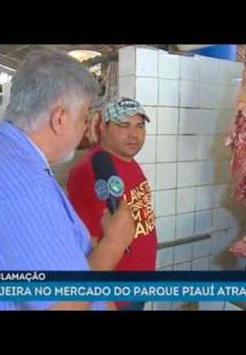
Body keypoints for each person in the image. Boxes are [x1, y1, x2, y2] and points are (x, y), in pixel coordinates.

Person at [0, 50, 136, 311]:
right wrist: (114, 243)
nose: (86, 128)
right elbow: (66, 304)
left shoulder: (3, 155)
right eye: (84, 117)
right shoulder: (21, 187)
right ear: (60, 118)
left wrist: (85, 244)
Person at [67, 97, 158, 311]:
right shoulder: (91, 172)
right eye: (123, 125)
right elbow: (87, 244)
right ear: (103, 127)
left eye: (139, 126)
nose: (134, 135)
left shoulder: (128, 161)